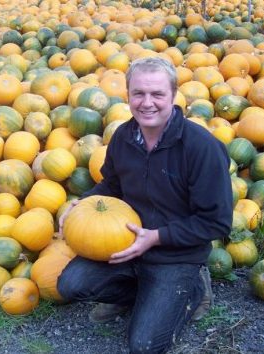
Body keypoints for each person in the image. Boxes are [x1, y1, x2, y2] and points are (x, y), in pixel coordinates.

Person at [57, 57, 233, 354]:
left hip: (175, 254)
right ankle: (141, 294)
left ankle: (193, 289)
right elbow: (112, 185)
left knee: (144, 346)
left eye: (157, 94)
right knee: (72, 285)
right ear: (128, 95)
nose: (147, 103)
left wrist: (156, 237)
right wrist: (82, 203)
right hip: (127, 243)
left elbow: (216, 222)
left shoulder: (201, 147)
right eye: (138, 93)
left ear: (174, 95)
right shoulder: (123, 138)